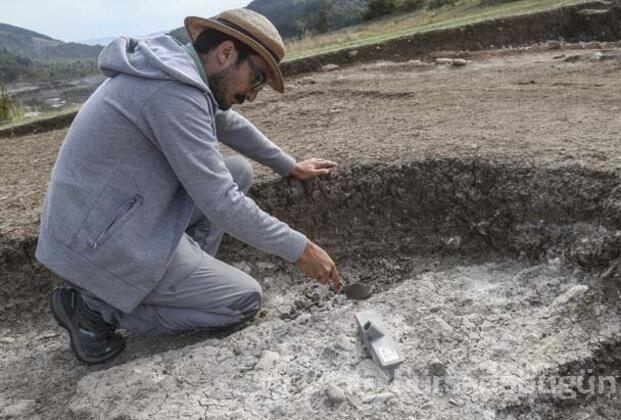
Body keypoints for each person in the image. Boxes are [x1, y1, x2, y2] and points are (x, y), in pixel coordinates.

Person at [36, 8, 340, 365]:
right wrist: (301, 249)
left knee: (237, 171)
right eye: (256, 78)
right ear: (226, 53)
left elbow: (228, 123)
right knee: (243, 300)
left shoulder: (174, 70)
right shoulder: (172, 93)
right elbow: (221, 203)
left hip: (107, 220)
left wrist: (287, 164)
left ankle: (171, 282)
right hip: (99, 243)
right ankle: (93, 308)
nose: (254, 94)